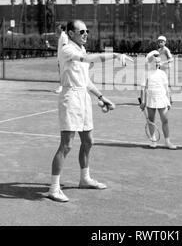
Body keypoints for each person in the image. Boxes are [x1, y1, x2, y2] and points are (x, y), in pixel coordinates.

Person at [48, 19, 133, 202]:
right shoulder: (67, 49)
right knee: (67, 145)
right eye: (82, 31)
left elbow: (85, 81)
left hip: (83, 98)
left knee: (88, 141)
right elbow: (89, 60)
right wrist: (115, 54)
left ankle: (84, 179)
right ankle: (54, 188)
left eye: (87, 31)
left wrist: (102, 97)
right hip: (70, 97)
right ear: (71, 33)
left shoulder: (81, 49)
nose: (86, 34)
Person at [139, 50, 176, 149]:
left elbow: (167, 88)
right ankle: (153, 140)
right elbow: (143, 88)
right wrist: (143, 101)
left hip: (162, 98)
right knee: (151, 120)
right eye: (155, 61)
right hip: (150, 99)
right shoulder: (146, 73)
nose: (158, 63)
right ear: (150, 61)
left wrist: (169, 100)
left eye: (158, 61)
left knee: (165, 120)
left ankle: (167, 142)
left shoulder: (162, 73)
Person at [54, 24, 68, 94]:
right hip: (60, 58)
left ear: (62, 29)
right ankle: (62, 87)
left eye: (58, 27)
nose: (57, 28)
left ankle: (61, 87)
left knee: (62, 72)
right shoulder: (61, 37)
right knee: (61, 72)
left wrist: (63, 57)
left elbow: (64, 47)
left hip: (63, 58)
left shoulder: (64, 36)